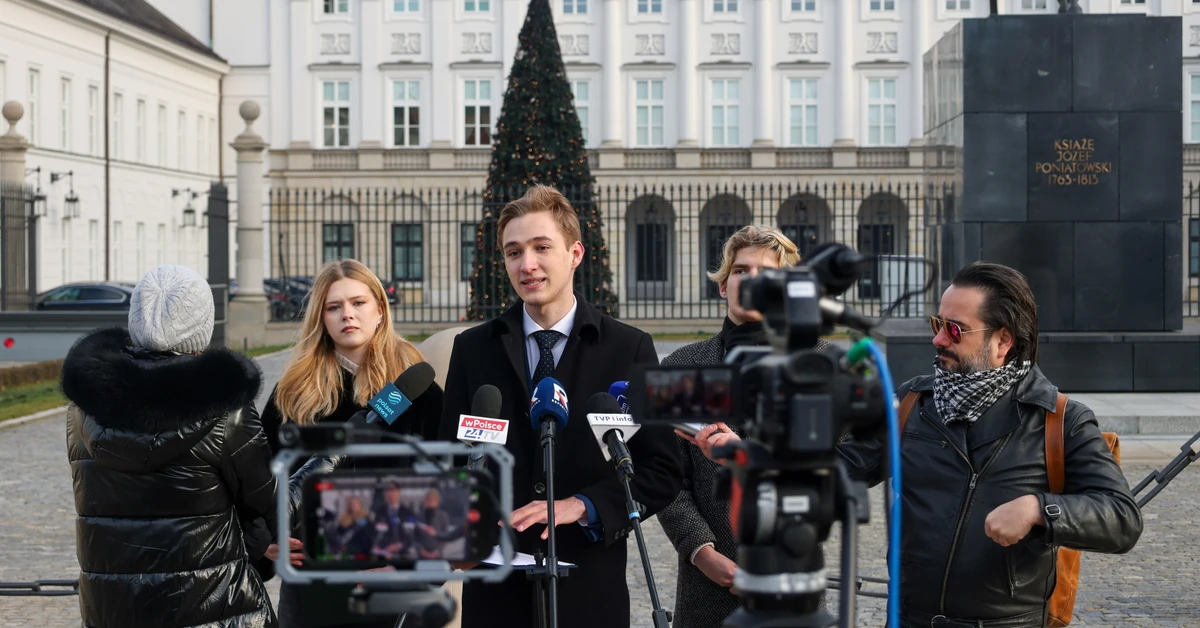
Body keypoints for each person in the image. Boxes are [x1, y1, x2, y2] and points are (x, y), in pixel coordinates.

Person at [837, 261, 1143, 627]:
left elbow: (1122, 518)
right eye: (938, 324)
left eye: (954, 330)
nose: (938, 339)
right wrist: (763, 453)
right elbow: (843, 465)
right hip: (908, 619)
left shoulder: (1061, 420)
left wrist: (1039, 509)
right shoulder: (912, 403)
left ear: (1003, 341)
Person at [439, 184, 683, 628]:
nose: (526, 264)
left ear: (575, 253)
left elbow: (662, 470)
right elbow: (450, 460)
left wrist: (583, 505)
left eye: (541, 247)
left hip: (588, 588)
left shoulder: (630, 348)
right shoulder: (473, 349)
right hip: (495, 592)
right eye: (513, 252)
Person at [62, 264, 278, 627]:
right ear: (202, 326)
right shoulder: (224, 412)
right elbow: (273, 504)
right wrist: (339, 450)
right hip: (212, 609)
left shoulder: (83, 408)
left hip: (112, 611)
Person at [656, 225, 832, 628]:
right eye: (740, 271)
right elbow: (667, 476)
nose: (751, 281)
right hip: (706, 582)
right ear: (723, 286)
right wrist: (700, 549)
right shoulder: (683, 366)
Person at [260, 258, 445, 628]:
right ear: (322, 319)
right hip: (314, 584)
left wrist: (412, 568)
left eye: (358, 302)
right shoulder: (294, 394)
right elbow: (257, 479)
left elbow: (445, 490)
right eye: (334, 307)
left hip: (393, 581)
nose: (348, 314)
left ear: (380, 309)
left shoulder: (418, 392)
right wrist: (261, 541)